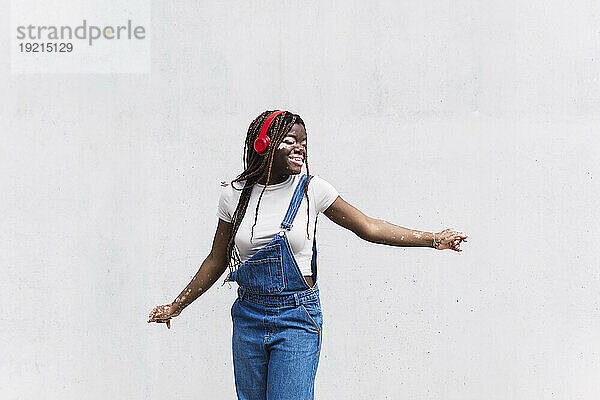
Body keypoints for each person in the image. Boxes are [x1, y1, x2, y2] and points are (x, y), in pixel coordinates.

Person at [148, 110, 468, 400]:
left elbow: (369, 227)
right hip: (248, 316)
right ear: (262, 144)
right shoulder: (234, 195)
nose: (300, 147)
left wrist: (433, 239)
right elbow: (217, 259)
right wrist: (176, 306)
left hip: (296, 317)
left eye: (304, 141)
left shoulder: (312, 190)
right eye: (290, 140)